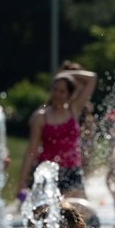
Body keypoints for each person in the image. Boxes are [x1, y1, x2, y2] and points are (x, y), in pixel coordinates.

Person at [19, 67, 98, 199]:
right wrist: (22, 180)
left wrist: (65, 74)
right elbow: (31, 150)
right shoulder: (41, 117)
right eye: (55, 90)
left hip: (72, 170)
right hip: (47, 170)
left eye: (62, 91)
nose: (57, 94)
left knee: (81, 213)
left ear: (69, 94)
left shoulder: (74, 110)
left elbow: (92, 78)